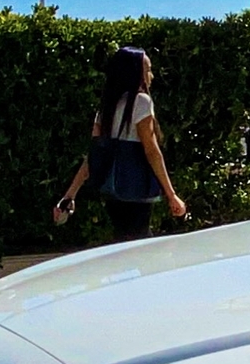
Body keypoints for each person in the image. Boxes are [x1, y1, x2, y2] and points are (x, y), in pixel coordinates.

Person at [53, 46, 186, 239]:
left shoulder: (107, 107)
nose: (152, 76)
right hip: (136, 192)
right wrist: (171, 195)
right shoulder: (141, 102)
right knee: (140, 247)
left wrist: (70, 195)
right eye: (147, 70)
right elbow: (151, 150)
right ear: (135, 74)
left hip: (113, 193)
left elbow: (93, 156)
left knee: (125, 242)